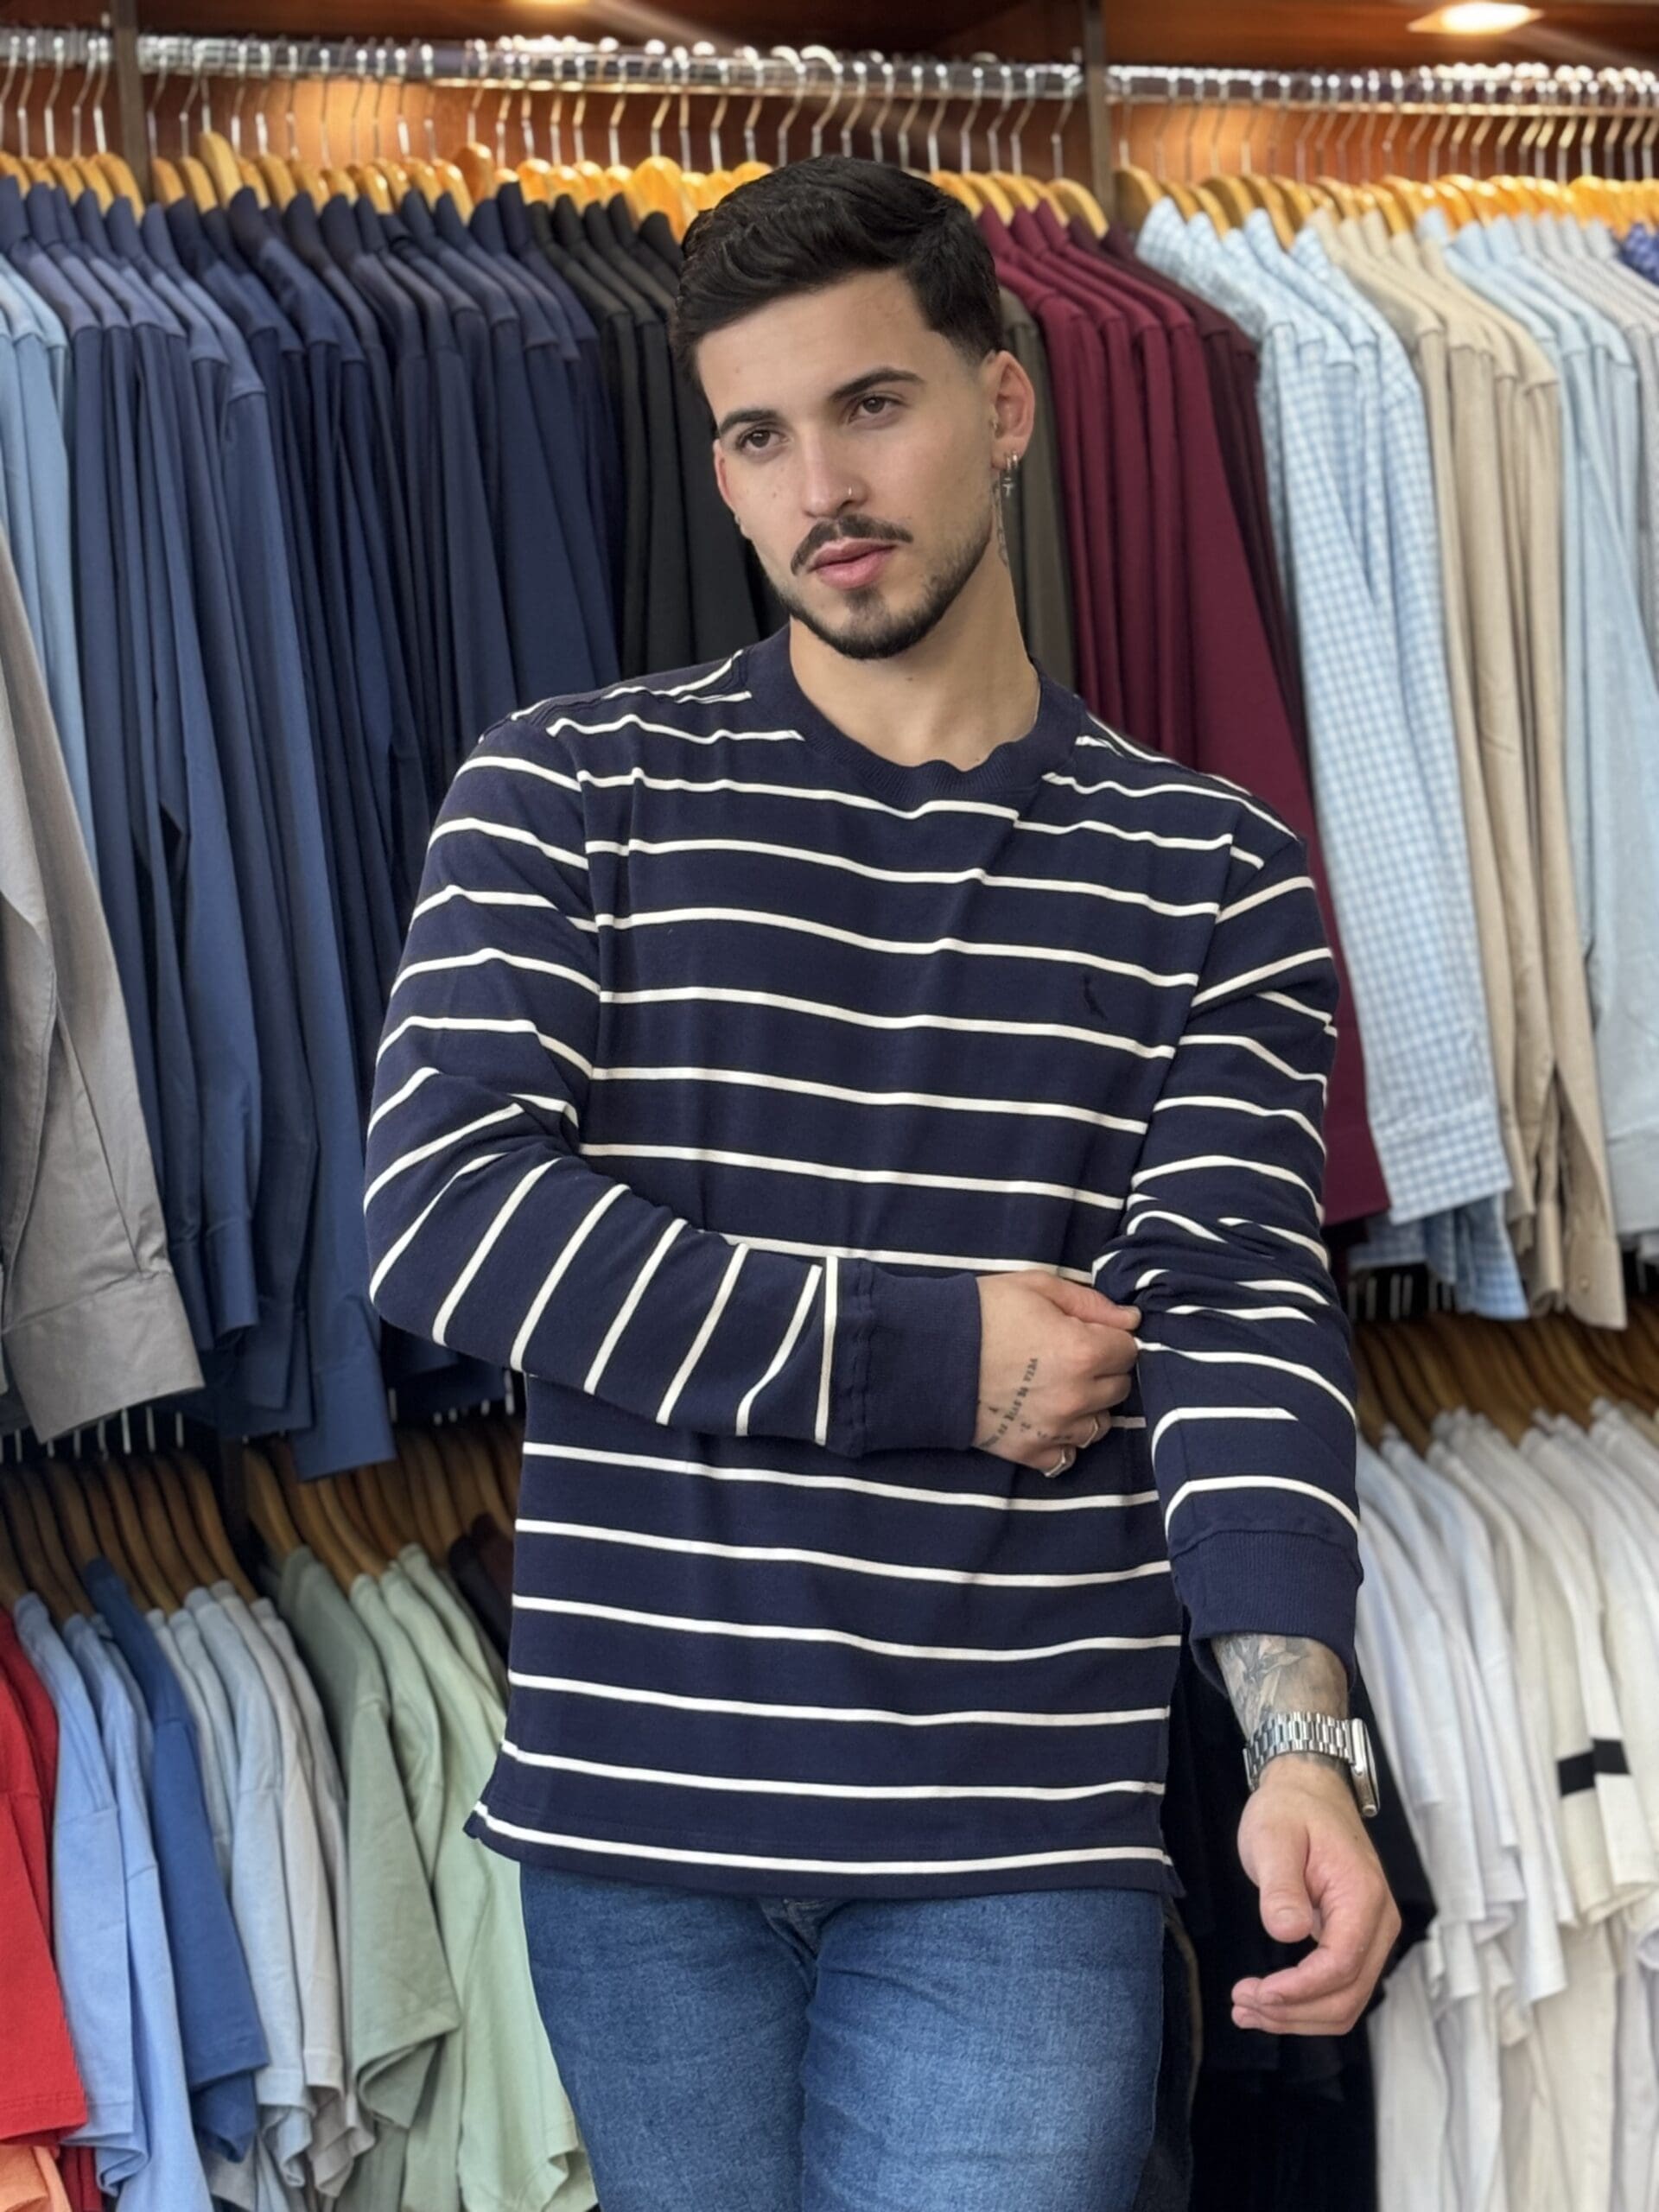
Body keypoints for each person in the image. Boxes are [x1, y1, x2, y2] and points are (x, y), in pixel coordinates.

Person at [362, 155, 1400, 2212]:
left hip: (1014, 1831)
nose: (820, 484)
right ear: (720, 474)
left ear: (1003, 403)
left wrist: (1304, 1741)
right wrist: (934, 1354)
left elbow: (1238, 1317)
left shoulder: (1209, 869)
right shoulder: (566, 790)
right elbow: (445, 1210)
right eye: (758, 435)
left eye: (872, 405)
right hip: (637, 1822)